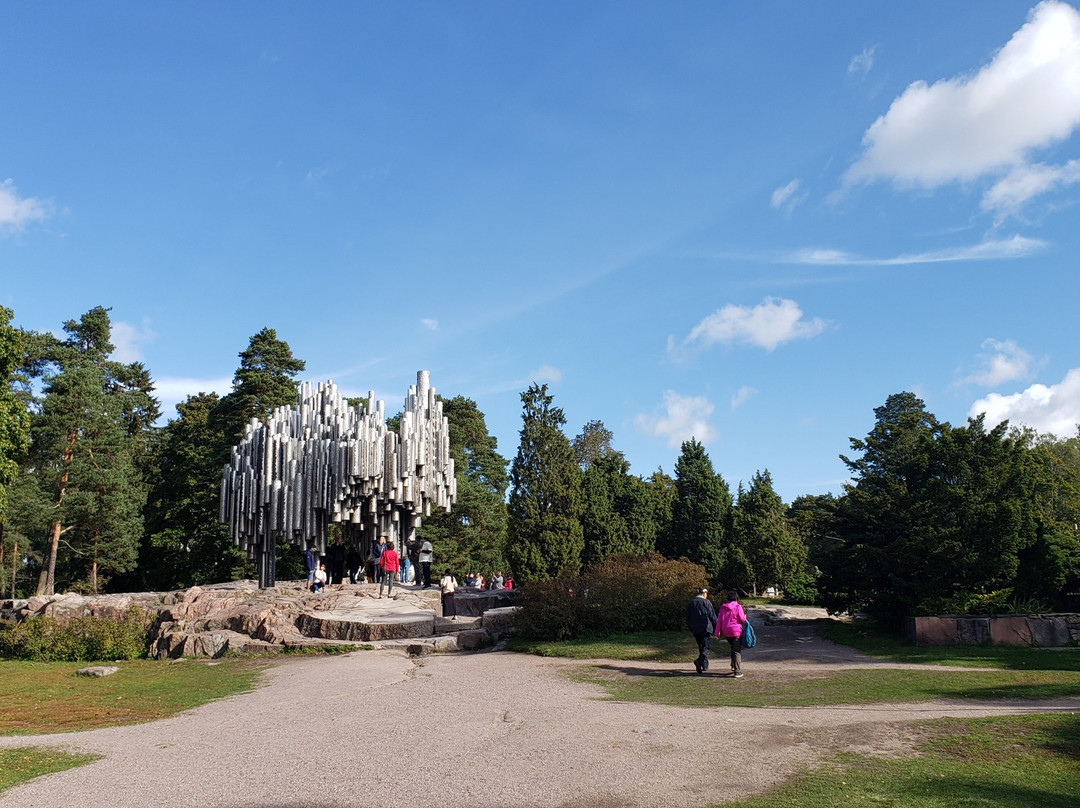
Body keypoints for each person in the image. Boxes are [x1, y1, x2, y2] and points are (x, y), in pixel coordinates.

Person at [714, 589, 748, 678]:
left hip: (726, 631)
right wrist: (745, 617)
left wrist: (717, 633)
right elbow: (742, 620)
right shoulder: (738, 606)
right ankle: (737, 670)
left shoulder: (723, 608)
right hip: (736, 630)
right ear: (736, 598)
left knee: (733, 647)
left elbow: (719, 621)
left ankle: (733, 665)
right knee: (737, 650)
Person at [686, 587, 718, 674]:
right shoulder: (706, 602)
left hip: (695, 628)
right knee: (706, 647)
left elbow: (688, 617)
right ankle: (699, 661)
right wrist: (717, 627)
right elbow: (712, 616)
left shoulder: (691, 603)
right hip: (705, 627)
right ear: (704, 593)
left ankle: (704, 665)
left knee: (701, 646)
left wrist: (690, 627)